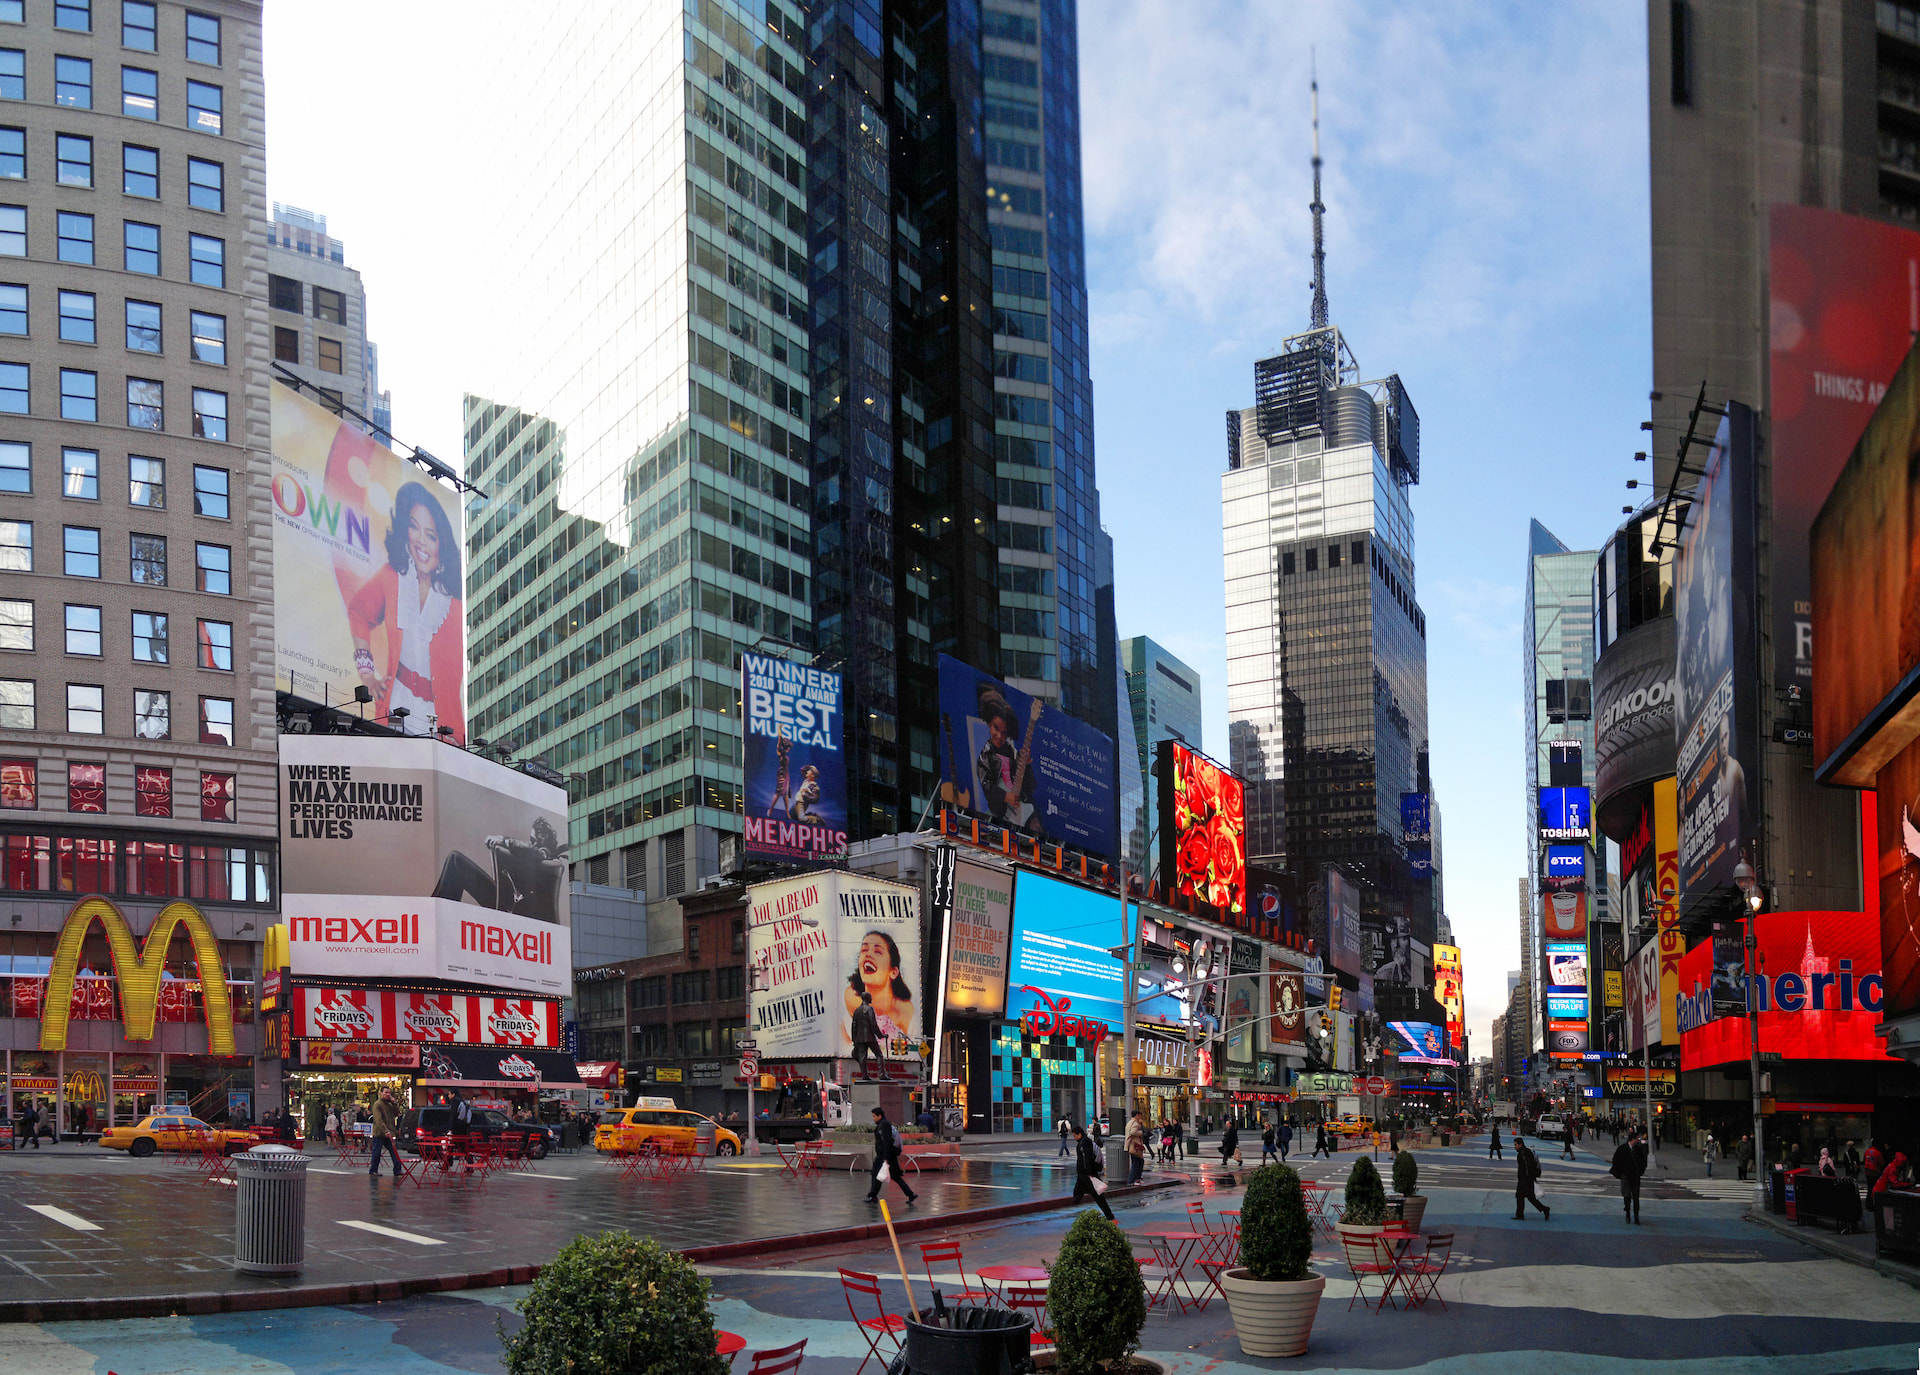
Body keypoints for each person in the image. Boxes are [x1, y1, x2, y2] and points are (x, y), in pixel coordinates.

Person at [348, 481, 466, 740]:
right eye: (414, 527)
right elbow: (358, 611)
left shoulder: (457, 608)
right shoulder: (392, 577)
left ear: (441, 546)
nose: (421, 541)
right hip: (394, 706)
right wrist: (367, 675)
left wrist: (456, 736)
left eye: (431, 536)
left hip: (441, 726)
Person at [432, 817, 569, 923]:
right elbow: (530, 850)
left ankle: (433, 914)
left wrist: (504, 841)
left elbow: (537, 853)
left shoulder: (553, 860)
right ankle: (433, 911)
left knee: (456, 860)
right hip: (511, 904)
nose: (532, 844)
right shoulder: (534, 854)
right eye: (531, 840)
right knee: (456, 860)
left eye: (535, 841)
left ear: (543, 840)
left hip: (520, 915)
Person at [843, 930, 916, 1057]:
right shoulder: (848, 1000)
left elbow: (909, 1053)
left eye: (878, 952)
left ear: (893, 972)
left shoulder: (908, 1013)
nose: (868, 954)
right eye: (864, 950)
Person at [863, 1107, 917, 1205]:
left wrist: (885, 1158)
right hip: (887, 1155)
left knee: (876, 1175)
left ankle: (873, 1196)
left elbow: (886, 1141)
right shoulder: (883, 1124)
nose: (873, 1118)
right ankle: (910, 1194)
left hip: (885, 1156)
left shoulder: (884, 1125)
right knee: (892, 1176)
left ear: (880, 1116)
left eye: (874, 1116)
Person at [1070, 1123, 1115, 1221]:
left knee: (1096, 1195)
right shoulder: (1085, 1142)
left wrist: (1088, 1171)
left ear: (1079, 1134)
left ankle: (1108, 1215)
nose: (1074, 1138)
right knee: (1080, 1192)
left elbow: (1087, 1158)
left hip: (1086, 1174)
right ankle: (1108, 1214)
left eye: (1074, 1136)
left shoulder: (1084, 1143)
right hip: (1085, 1174)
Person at [1610, 1127, 1646, 1224]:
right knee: (1627, 1196)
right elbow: (1616, 1161)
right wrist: (1621, 1173)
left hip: (1635, 1176)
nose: (1638, 1140)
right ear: (1632, 1139)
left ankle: (1636, 1217)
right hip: (1626, 1176)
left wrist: (1640, 1172)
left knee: (1636, 1197)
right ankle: (1628, 1213)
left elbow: (1643, 1162)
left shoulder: (1638, 1150)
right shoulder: (1622, 1149)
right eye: (1636, 1138)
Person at [368, 1087, 403, 1180]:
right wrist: (385, 1130)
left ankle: (397, 1169)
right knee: (377, 1151)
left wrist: (394, 1102)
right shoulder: (377, 1104)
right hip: (380, 1132)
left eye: (389, 1093)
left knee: (394, 1151)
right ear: (381, 1093)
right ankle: (373, 1170)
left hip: (389, 1131)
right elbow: (378, 1120)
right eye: (386, 1092)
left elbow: (397, 1113)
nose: (388, 1094)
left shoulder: (389, 1104)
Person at [1513, 1134, 1550, 1221]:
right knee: (1529, 1197)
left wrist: (1527, 1177)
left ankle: (1520, 1215)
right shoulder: (1525, 1152)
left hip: (1525, 1179)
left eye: (1515, 1145)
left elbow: (1527, 1167)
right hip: (1527, 1178)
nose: (1515, 1147)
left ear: (1520, 1144)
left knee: (1521, 1196)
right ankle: (1544, 1209)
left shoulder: (1523, 1153)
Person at [849, 991, 883, 1080]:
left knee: (863, 1057)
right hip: (870, 1037)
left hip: (860, 1039)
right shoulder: (869, 1009)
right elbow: (873, 1024)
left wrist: (854, 1040)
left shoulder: (857, 1011)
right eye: (870, 997)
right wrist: (880, 1035)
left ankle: (864, 1075)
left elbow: (854, 1026)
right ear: (868, 998)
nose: (872, 999)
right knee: (879, 1055)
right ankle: (882, 1075)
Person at [1124, 1112, 1147, 1185]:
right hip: (1134, 1145)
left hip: (1133, 1145)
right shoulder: (1135, 1123)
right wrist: (1141, 1132)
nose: (1140, 1117)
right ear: (1137, 1115)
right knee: (1136, 1163)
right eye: (1140, 1115)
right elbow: (1133, 1132)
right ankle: (1132, 1180)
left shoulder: (1131, 1122)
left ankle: (1137, 1178)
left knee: (1139, 1162)